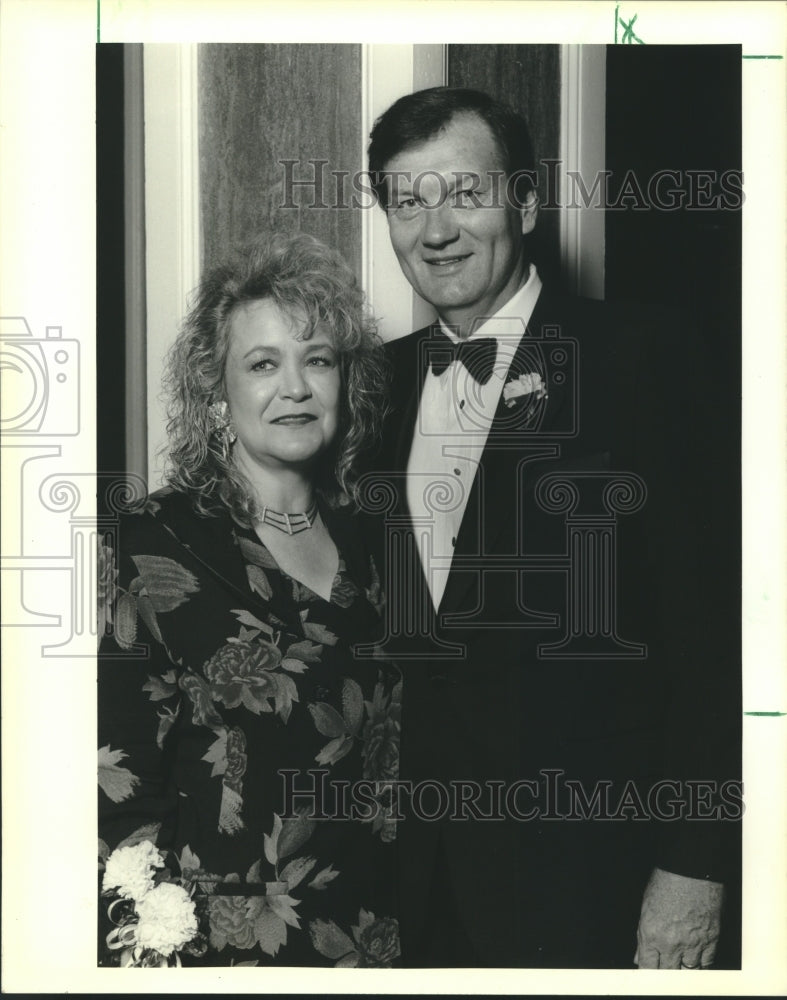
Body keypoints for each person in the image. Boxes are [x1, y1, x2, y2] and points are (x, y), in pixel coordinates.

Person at [364, 87, 739, 968]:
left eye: (464, 193)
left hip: (596, 881)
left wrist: (695, 870)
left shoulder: (648, 356)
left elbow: (720, 636)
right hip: (413, 886)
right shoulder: (373, 388)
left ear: (525, 203)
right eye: (407, 202)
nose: (436, 228)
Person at [97, 231, 402, 968]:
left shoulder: (380, 538)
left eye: (317, 360)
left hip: (383, 938)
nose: (294, 388)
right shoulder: (146, 546)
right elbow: (114, 783)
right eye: (263, 364)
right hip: (224, 951)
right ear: (215, 390)